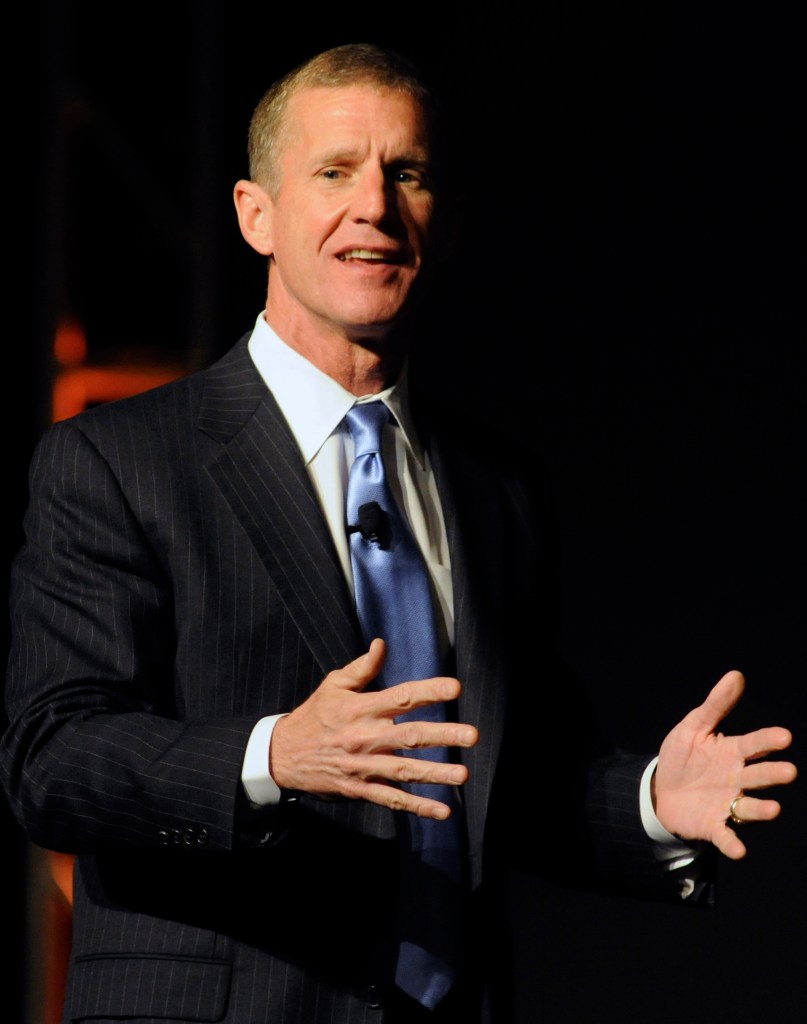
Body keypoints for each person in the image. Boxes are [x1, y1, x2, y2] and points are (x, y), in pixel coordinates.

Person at [1, 42, 796, 1024]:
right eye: (334, 171)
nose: (373, 205)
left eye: (404, 173)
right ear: (257, 214)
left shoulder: (495, 487)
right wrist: (274, 755)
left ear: (442, 222)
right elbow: (53, 761)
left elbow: (507, 775)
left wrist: (647, 805)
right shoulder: (121, 461)